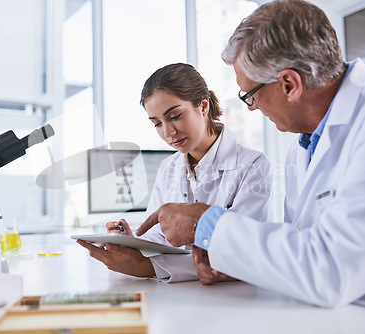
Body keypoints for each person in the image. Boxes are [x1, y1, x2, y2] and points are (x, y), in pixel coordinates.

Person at [136, 0, 365, 315]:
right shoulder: (303, 147)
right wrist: (235, 263)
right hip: (328, 313)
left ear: (289, 84)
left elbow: (332, 269)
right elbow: (297, 249)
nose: (251, 107)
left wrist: (203, 223)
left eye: (250, 94)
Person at [77, 63, 272, 282]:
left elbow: (242, 247)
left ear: (204, 106)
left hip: (235, 296)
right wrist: (132, 243)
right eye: (157, 123)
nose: (168, 132)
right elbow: (161, 233)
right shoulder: (168, 168)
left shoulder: (254, 165)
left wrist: (149, 267)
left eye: (175, 116)